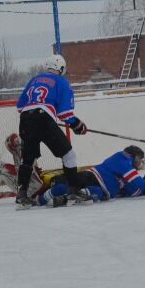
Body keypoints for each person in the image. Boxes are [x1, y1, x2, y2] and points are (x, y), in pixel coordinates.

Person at [14, 54, 89, 208]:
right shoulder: (62, 82)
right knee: (69, 155)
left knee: (27, 159)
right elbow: (65, 114)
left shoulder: (34, 80)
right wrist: (77, 125)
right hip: (43, 119)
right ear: (61, 69)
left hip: (25, 120)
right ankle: (73, 190)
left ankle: (21, 196)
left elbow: (20, 106)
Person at [36, 145, 145, 206]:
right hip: (93, 178)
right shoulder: (124, 161)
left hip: (97, 184)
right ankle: (41, 198)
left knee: (94, 193)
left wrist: (144, 187)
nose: (140, 162)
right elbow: (135, 182)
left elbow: (130, 190)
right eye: (140, 158)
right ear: (133, 156)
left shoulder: (122, 161)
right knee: (68, 186)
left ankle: (57, 199)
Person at [0, 133, 48, 199]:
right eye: (16, 142)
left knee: (37, 185)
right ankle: (23, 194)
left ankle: (23, 193)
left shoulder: (20, 150)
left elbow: (25, 167)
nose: (17, 143)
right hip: (26, 176)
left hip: (28, 176)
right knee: (36, 186)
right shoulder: (18, 151)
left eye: (17, 141)